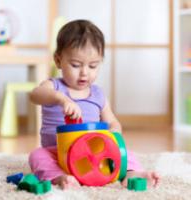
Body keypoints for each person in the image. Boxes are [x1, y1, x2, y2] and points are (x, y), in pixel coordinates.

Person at [29, 19, 160, 190]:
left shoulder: (98, 94)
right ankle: (60, 177)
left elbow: (112, 121)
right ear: (58, 60)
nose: (84, 72)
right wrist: (61, 99)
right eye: (75, 65)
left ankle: (131, 173)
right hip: (57, 153)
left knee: (126, 153)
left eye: (92, 66)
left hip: (93, 155)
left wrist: (114, 133)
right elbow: (35, 95)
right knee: (37, 155)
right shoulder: (53, 87)